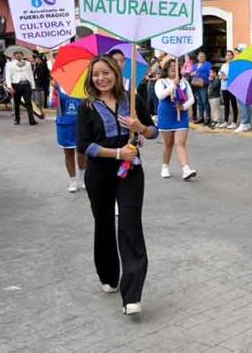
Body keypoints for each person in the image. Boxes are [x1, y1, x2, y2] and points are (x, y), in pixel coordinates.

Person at [76, 55, 157, 316]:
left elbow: (154, 131)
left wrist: (139, 127)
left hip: (130, 173)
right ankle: (108, 274)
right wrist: (118, 153)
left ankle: (132, 295)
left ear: (116, 73)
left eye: (106, 73)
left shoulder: (131, 101)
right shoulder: (86, 106)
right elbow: (84, 145)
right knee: (103, 224)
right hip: (99, 173)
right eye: (96, 74)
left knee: (130, 225)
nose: (101, 78)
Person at [155, 57, 197, 181]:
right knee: (168, 144)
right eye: (170, 68)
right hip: (166, 115)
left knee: (180, 143)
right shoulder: (160, 82)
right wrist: (173, 85)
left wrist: (183, 106)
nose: (173, 69)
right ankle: (165, 166)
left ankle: (185, 169)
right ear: (166, 69)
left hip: (181, 115)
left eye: (175, 67)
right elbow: (161, 95)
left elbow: (192, 99)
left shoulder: (184, 82)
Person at [56, 86, 86, 193]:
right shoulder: (57, 87)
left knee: (82, 151)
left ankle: (82, 177)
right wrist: (53, 93)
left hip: (80, 124)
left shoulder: (82, 85)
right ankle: (72, 180)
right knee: (68, 152)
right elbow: (54, 105)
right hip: (64, 124)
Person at [5, 51, 37, 125]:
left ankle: (31, 119)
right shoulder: (9, 64)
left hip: (26, 85)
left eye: (20, 54)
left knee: (28, 102)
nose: (19, 55)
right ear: (14, 55)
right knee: (16, 103)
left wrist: (33, 86)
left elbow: (31, 75)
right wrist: (10, 87)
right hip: (16, 85)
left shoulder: (27, 63)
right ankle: (17, 119)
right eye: (17, 54)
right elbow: (8, 76)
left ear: (22, 55)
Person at [219, 50, 239, 129]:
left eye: (230, 55)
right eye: (227, 55)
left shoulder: (234, 65)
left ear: (233, 56)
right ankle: (225, 121)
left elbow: (235, 75)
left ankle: (234, 122)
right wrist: (221, 76)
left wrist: (227, 77)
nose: (229, 56)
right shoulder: (223, 65)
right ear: (225, 57)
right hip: (224, 87)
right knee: (226, 105)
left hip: (232, 87)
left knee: (234, 105)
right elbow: (220, 73)